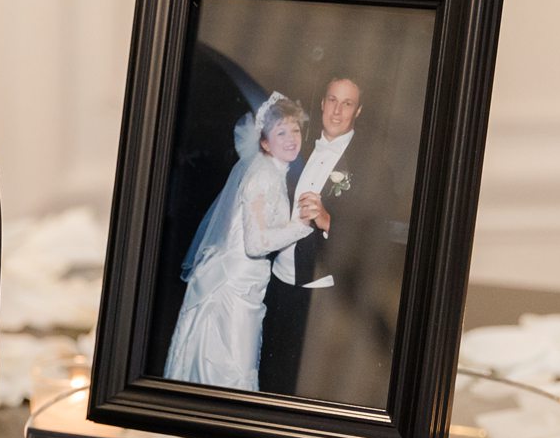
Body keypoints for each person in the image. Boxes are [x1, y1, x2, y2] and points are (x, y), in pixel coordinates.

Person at [260, 75, 402, 408]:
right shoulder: (296, 147)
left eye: (348, 104)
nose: (337, 111)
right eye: (332, 101)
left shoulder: (370, 169)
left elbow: (363, 238)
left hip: (335, 284)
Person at [162, 93, 316, 389]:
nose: (291, 138)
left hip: (245, 284)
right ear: (265, 142)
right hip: (231, 288)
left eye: (295, 130)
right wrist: (301, 226)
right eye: (280, 132)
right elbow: (256, 244)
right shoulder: (263, 178)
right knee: (230, 368)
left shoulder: (272, 172)